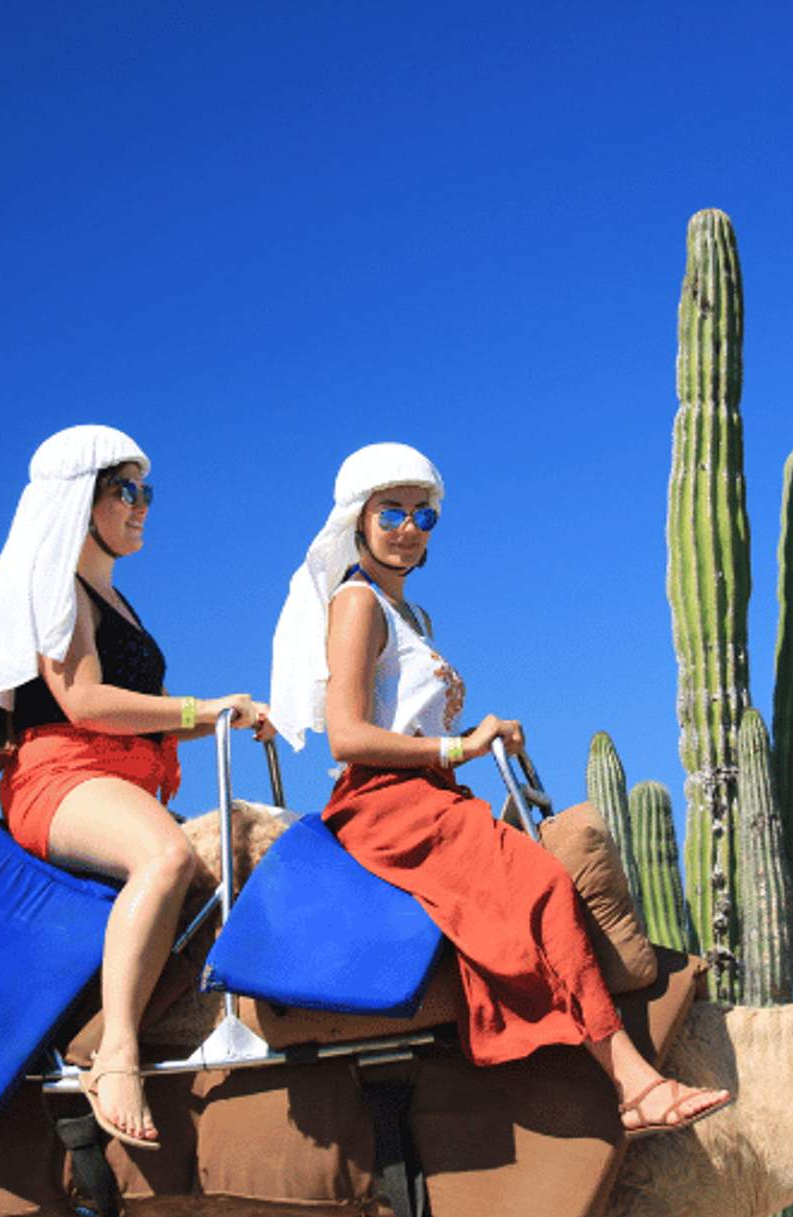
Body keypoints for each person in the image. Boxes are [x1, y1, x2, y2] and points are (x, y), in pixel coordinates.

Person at [267, 443, 732, 1136]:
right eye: (390, 510)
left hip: (431, 792)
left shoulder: (411, 617)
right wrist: (461, 743)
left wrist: (472, 739)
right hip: (384, 803)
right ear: (358, 520)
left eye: (423, 515)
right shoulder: (357, 602)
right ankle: (636, 1086)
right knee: (539, 885)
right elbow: (347, 737)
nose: (408, 527)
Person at [0, 424, 272, 1150]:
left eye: (146, 492)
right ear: (82, 500)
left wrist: (232, 711)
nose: (141, 506)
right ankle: (117, 1055)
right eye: (125, 491)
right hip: (62, 774)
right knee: (168, 859)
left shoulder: (116, 599)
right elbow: (85, 702)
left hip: (117, 775)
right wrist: (205, 709)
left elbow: (142, 717)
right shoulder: (59, 589)